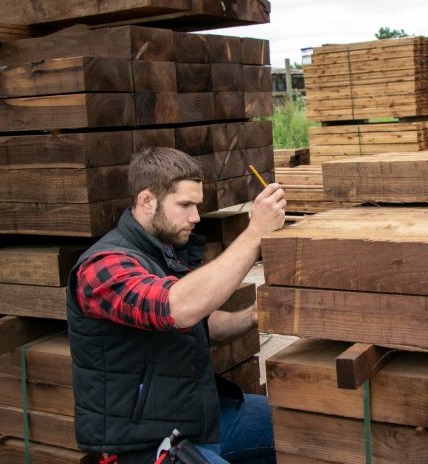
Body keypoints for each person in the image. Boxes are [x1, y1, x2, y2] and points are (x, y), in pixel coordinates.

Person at [66, 147, 286, 464]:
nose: (195, 217)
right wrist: (255, 233)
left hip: (198, 415)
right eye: (184, 205)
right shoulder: (103, 267)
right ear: (146, 201)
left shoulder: (162, 251)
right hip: (145, 442)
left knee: (307, 425)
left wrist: (254, 315)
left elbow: (200, 323)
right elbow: (177, 309)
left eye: (196, 205)